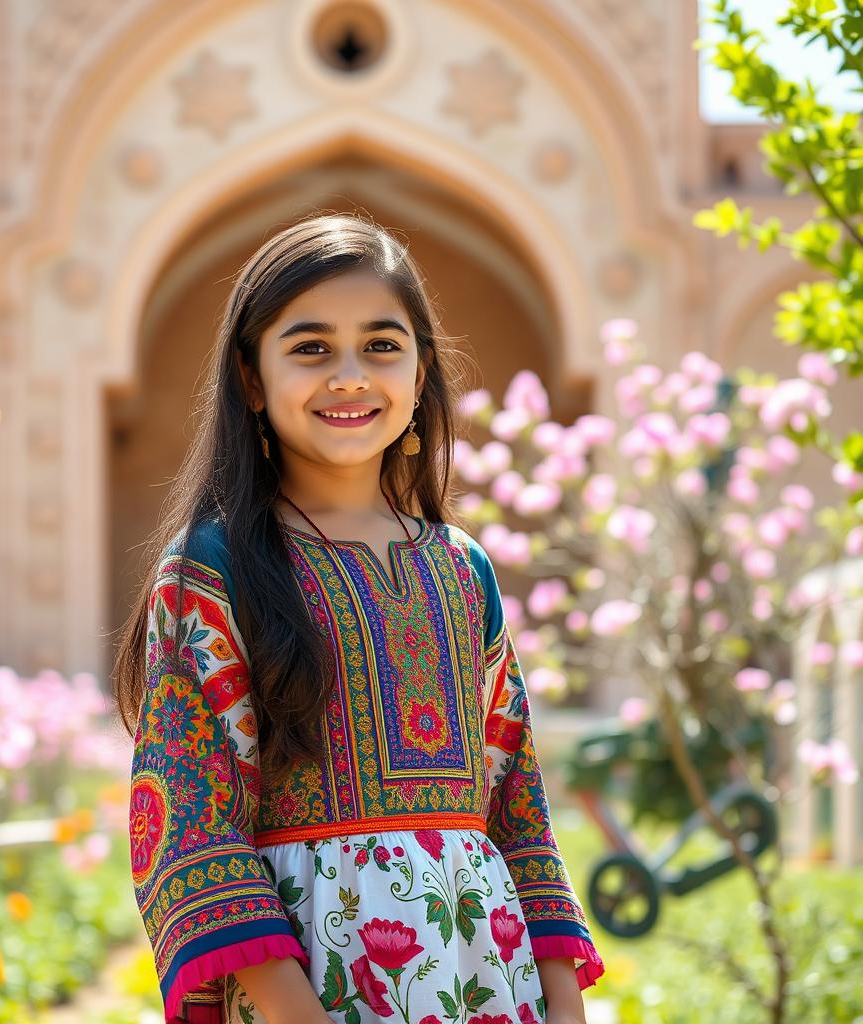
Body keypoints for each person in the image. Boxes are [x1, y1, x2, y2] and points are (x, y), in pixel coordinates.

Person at [113, 212, 604, 1024]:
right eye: (310, 348)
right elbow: (189, 826)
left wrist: (562, 1004)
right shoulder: (216, 568)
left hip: (484, 974)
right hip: (307, 989)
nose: (350, 375)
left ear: (420, 375)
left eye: (382, 345)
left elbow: (516, 805)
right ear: (250, 379)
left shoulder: (462, 569)